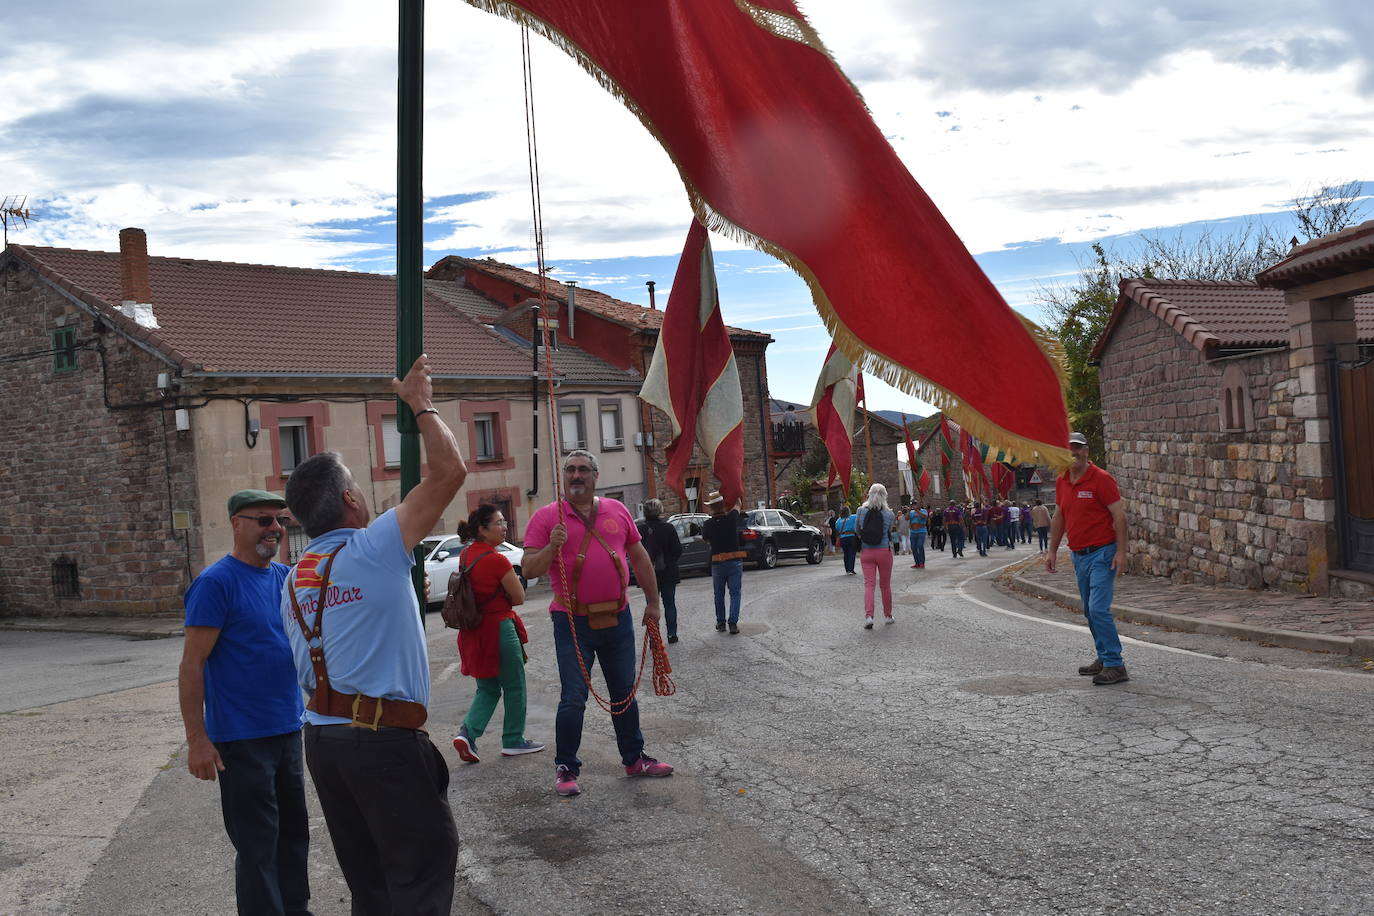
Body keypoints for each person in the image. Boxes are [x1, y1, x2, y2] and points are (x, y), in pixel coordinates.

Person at [281, 355, 464, 915]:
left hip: (324, 743)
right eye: (358, 487)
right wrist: (420, 404)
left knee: (372, 884)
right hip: (381, 742)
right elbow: (450, 472)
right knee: (421, 876)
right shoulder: (375, 545)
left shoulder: (293, 579)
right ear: (352, 501)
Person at [178, 489, 311, 916]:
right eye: (263, 520)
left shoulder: (284, 578)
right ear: (237, 524)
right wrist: (197, 739)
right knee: (257, 844)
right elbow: (192, 665)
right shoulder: (216, 584)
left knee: (294, 832)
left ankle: (296, 908)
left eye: (280, 521)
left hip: (288, 727)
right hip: (241, 737)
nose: (275, 528)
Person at [520, 449, 674, 798]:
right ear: (564, 477)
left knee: (624, 694)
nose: (576, 476)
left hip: (618, 617)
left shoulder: (617, 510)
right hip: (571, 620)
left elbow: (639, 558)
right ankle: (565, 767)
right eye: (570, 470)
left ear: (595, 476)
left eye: (583, 470)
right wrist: (551, 547)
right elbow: (529, 569)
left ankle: (634, 758)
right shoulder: (547, 518)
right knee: (573, 697)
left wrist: (653, 603)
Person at [451, 504, 543, 764]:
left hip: (474, 630)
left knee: (487, 688)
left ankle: (467, 733)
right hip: (499, 629)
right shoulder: (497, 559)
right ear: (482, 529)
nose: (504, 527)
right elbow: (519, 597)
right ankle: (513, 739)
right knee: (514, 685)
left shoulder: (466, 555)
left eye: (504, 522)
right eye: (499, 523)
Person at [1047, 431, 1131, 686]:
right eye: (1069, 449)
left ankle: (1115, 664)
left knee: (1097, 608)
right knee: (1089, 610)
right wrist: (1052, 550)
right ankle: (1104, 658)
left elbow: (1120, 517)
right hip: (1078, 554)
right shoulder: (1063, 481)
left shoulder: (1101, 479)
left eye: (1079, 448)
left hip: (1103, 552)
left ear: (1086, 451)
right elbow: (1059, 516)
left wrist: (1121, 552)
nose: (1074, 453)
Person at [637, 498, 683, 644]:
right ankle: (672, 634)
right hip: (668, 572)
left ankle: (654, 638)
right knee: (669, 603)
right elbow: (677, 550)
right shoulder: (668, 528)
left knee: (651, 603)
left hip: (648, 574)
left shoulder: (640, 530)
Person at [701, 491, 747, 633]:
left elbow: (705, 538)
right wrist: (735, 493)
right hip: (734, 561)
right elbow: (738, 504)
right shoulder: (732, 518)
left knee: (719, 594)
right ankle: (732, 623)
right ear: (722, 505)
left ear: (711, 508)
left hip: (717, 563)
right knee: (735, 593)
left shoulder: (708, 524)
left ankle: (721, 623)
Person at [855, 484, 896, 627]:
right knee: (885, 586)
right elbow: (888, 531)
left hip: (866, 552)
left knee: (869, 585)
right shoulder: (890, 514)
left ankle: (869, 617)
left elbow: (857, 531)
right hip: (884, 551)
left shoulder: (860, 511)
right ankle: (888, 616)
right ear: (885, 496)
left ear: (869, 495)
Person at [836, 504, 859, 574]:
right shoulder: (853, 517)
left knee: (846, 553)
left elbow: (837, 528)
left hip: (843, 538)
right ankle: (851, 569)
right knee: (852, 553)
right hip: (851, 536)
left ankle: (847, 570)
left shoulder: (839, 520)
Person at [908, 502, 928, 568]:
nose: (915, 505)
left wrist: (917, 511)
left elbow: (925, 517)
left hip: (921, 531)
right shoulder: (911, 512)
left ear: (919, 505)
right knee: (913, 547)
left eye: (916, 504)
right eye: (914, 504)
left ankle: (922, 562)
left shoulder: (924, 511)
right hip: (913, 532)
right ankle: (917, 563)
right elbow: (906, 518)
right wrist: (908, 510)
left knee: (920, 545)